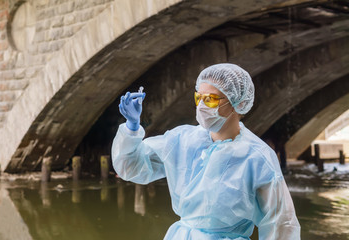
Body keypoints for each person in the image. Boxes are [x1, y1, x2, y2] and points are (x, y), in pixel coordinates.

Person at [111, 63, 300, 239]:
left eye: (210, 99)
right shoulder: (182, 140)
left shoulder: (257, 157)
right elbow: (130, 167)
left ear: (237, 102)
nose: (201, 106)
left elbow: (282, 225)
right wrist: (132, 127)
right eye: (198, 97)